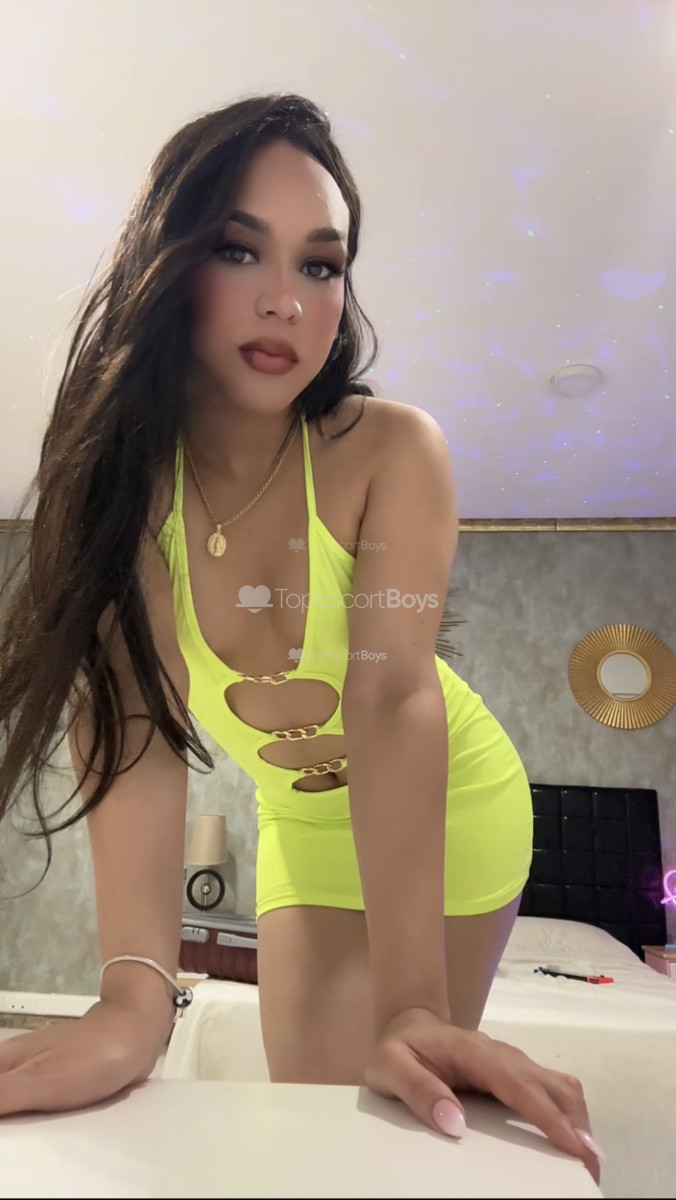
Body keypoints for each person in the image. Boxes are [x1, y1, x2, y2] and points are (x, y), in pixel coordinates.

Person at [0, 93, 603, 1181]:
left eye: (320, 265)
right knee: (312, 1118)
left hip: (456, 805)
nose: (285, 298)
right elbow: (133, 720)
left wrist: (414, 1002)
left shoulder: (392, 452)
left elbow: (390, 694)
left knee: (393, 1105)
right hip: (299, 819)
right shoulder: (127, 488)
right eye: (241, 249)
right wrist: (133, 996)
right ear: (170, 263)